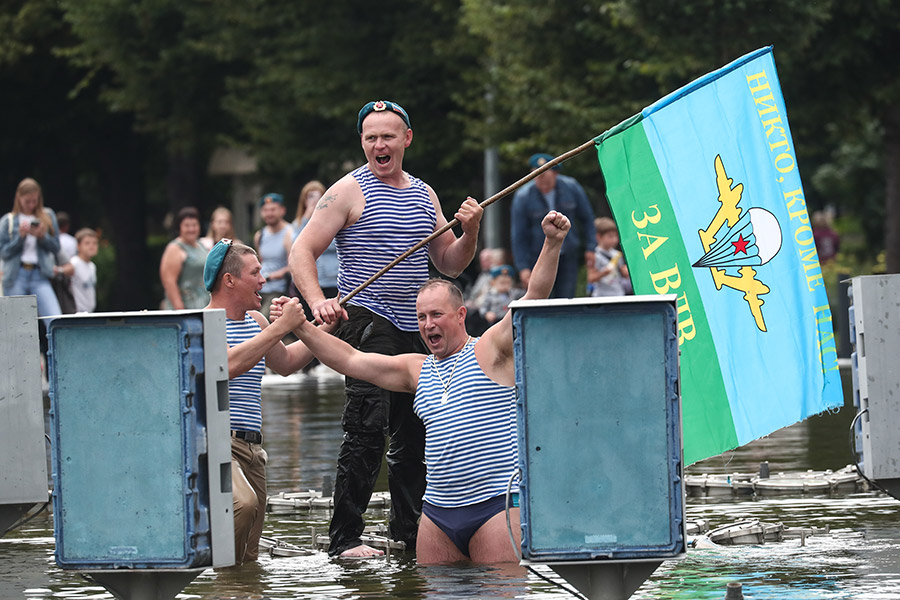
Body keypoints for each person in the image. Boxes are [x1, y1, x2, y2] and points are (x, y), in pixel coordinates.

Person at [280, 210, 570, 563]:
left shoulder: (491, 349)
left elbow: (534, 296)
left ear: (460, 316)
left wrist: (552, 243)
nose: (427, 325)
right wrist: (302, 327)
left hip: (495, 507)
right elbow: (350, 360)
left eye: (436, 316)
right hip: (438, 517)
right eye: (421, 317)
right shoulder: (415, 369)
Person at [288, 99, 483, 557]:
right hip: (368, 321)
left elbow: (448, 262)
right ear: (362, 142)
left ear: (406, 140)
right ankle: (346, 539)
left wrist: (471, 232)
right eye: (371, 137)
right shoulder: (346, 192)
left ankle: (409, 534)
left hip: (416, 328)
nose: (379, 144)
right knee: (367, 430)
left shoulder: (424, 193)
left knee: (416, 434)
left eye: (388, 136)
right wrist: (319, 302)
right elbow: (301, 252)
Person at [203, 239, 323, 565]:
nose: (263, 279)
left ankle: (239, 588)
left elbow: (285, 363)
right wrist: (282, 327)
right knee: (242, 505)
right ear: (229, 280)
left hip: (254, 450)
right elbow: (226, 366)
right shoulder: (201, 324)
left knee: (250, 558)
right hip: (219, 444)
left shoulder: (256, 322)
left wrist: (323, 325)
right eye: (255, 273)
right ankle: (218, 582)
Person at [511, 152, 597, 298]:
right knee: (541, 299)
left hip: (568, 254)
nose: (540, 180)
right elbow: (518, 235)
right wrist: (523, 267)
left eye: (544, 175)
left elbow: (587, 218)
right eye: (536, 175)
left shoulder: (572, 187)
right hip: (538, 257)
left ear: (555, 173)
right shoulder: (523, 196)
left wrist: (591, 247)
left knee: (566, 298)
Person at [0, 177, 63, 318]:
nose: (31, 205)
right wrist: (20, 238)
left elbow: (56, 247)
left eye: (34, 201)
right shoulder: (8, 221)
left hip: (40, 274)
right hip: (16, 275)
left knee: (54, 318)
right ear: (18, 198)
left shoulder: (47, 215)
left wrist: (42, 236)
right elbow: (3, 253)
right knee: (17, 324)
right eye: (27, 201)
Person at [291, 181, 338, 305]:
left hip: (331, 279)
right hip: (310, 280)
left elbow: (333, 243)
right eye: (310, 197)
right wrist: (307, 218)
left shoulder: (334, 220)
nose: (314, 200)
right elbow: (296, 246)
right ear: (304, 200)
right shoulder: (298, 223)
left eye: (318, 196)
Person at [160, 206, 209, 310]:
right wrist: (180, 309)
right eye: (187, 225)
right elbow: (169, 282)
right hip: (185, 308)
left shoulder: (201, 245)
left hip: (203, 304)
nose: (191, 229)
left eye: (194, 225)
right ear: (180, 227)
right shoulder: (175, 248)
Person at [254, 193, 294, 320]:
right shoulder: (260, 235)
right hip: (260, 288)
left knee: (263, 320)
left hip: (279, 290)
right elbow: (261, 262)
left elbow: (294, 265)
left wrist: (276, 274)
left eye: (273, 210)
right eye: (265, 210)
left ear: (282, 210)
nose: (269, 214)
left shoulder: (290, 233)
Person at [587, 217, 630, 297]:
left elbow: (621, 275)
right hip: (601, 296)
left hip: (619, 294)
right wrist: (603, 273)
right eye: (610, 236)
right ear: (599, 237)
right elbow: (590, 278)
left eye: (615, 236)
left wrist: (626, 273)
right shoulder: (594, 255)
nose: (614, 240)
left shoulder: (617, 254)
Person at [69, 228, 99, 313]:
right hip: (77, 313)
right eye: (87, 243)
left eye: (95, 243)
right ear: (78, 246)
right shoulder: (74, 263)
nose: (91, 246)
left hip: (89, 312)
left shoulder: (92, 266)